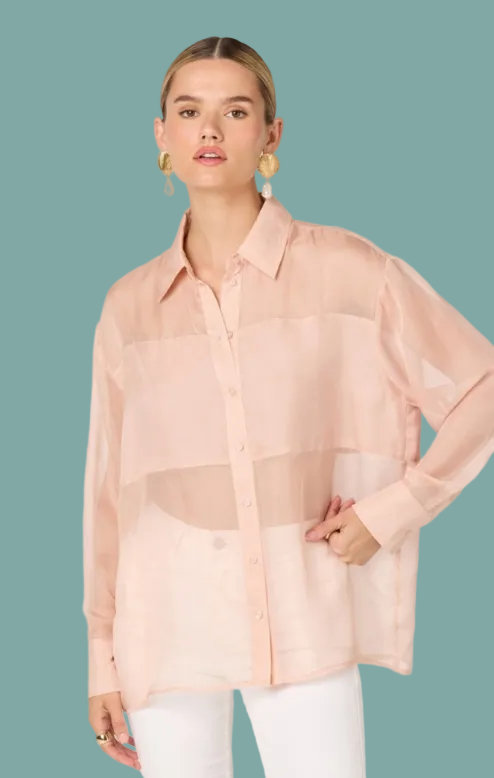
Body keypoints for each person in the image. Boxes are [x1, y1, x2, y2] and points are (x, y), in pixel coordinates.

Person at [82, 37, 494, 778]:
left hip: (305, 619)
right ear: (162, 134)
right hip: (165, 626)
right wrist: (101, 656)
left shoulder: (351, 271)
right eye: (189, 111)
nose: (210, 130)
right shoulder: (129, 307)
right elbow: (109, 495)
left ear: (271, 135)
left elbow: (482, 387)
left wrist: (393, 512)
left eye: (236, 112)